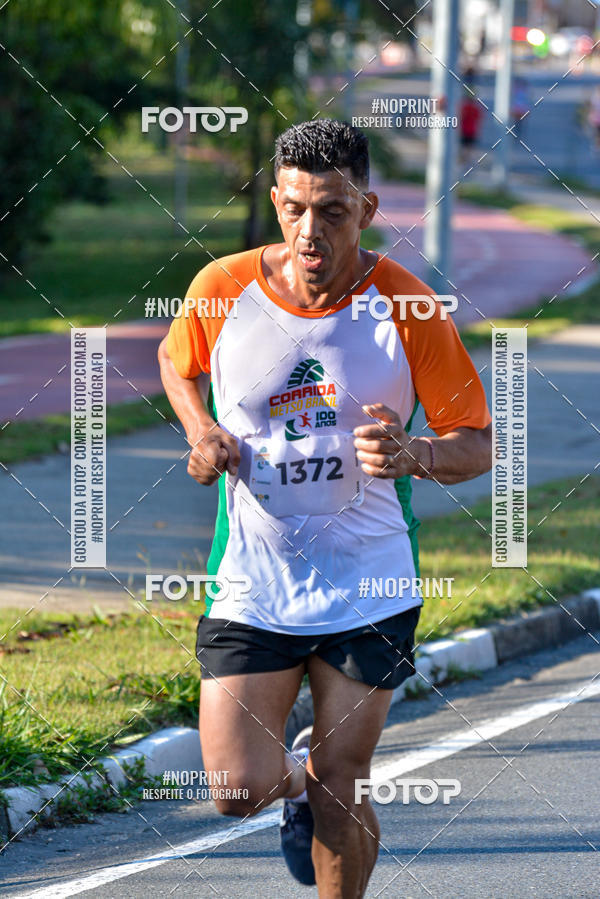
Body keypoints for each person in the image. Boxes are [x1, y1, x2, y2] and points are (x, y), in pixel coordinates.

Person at [158, 118, 492, 896]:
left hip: (369, 580)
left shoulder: (407, 307)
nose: (311, 231)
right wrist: (201, 429)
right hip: (253, 581)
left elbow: (475, 441)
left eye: (333, 211)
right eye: (296, 208)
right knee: (235, 788)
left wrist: (420, 455)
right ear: (277, 200)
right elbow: (179, 366)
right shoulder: (223, 287)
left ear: (367, 209)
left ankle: (326, 788)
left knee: (345, 777)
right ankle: (297, 788)